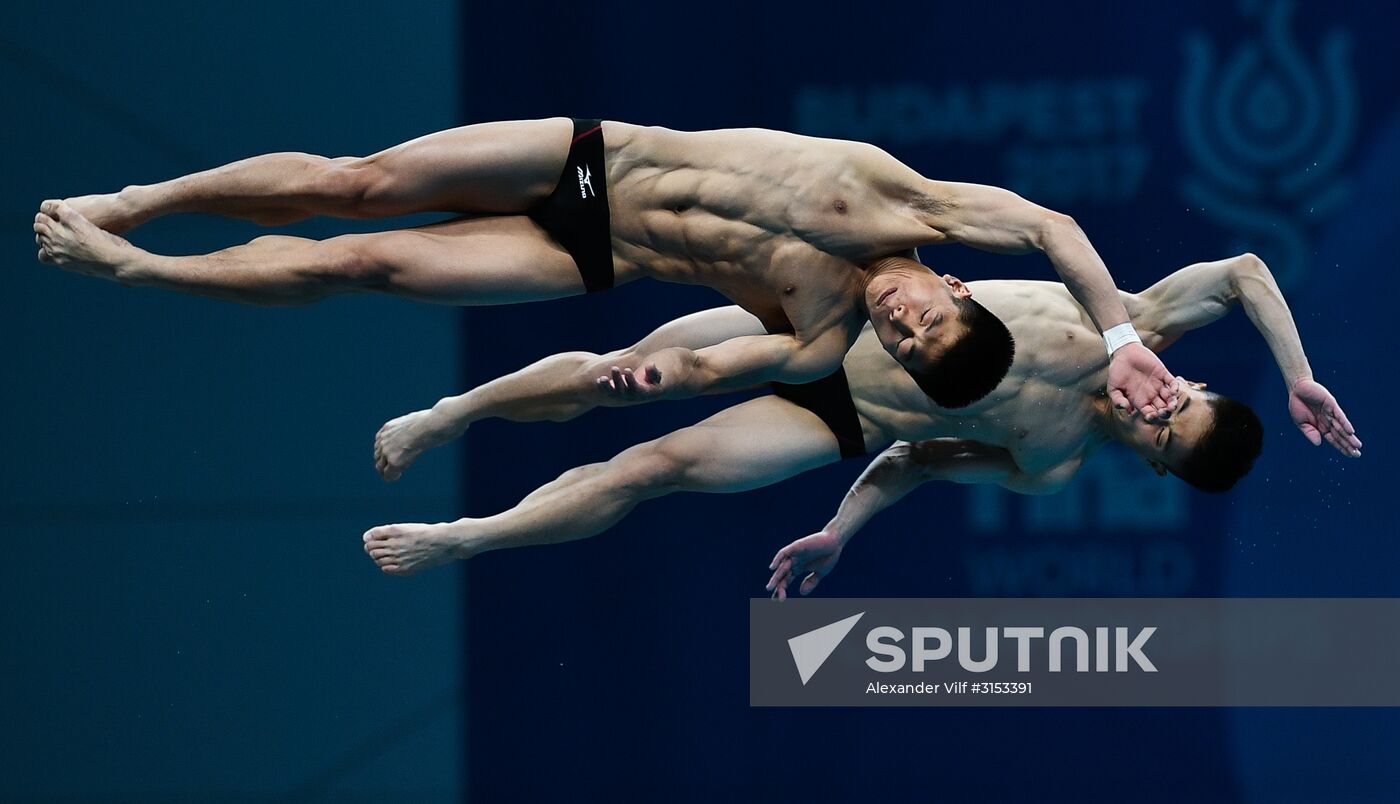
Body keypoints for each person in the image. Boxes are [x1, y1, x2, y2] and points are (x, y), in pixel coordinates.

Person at [33, 117, 1176, 418]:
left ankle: (138, 274)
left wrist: (663, 380)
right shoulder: (902, 201)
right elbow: (1052, 228)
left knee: (368, 264)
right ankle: (135, 204)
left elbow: (726, 362)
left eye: (903, 343)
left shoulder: (829, 335)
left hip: (596, 253)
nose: (897, 319)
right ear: (954, 281)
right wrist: (1119, 340)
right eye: (924, 315)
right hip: (592, 157)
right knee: (359, 185)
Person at [361, 253, 1358, 578]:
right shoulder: (1130, 322)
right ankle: (452, 413)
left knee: (648, 468)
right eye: (1178, 399)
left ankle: (467, 537)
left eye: (1159, 432)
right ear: (1188, 379)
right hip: (828, 334)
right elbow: (1240, 272)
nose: (1154, 408)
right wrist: (1296, 372)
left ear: (1149, 463)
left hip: (833, 424)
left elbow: (917, 464)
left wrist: (841, 528)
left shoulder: (1049, 462)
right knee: (619, 374)